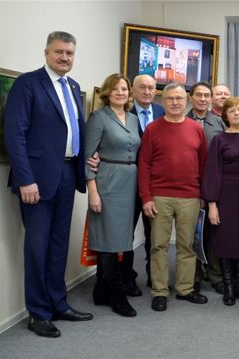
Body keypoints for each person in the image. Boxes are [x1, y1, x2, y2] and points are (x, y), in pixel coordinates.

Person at [4, 31, 93, 338]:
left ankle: (58, 303)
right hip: (37, 181)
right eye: (59, 52)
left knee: (58, 246)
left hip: (67, 175)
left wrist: (85, 164)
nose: (64, 57)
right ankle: (38, 313)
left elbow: (73, 133)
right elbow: (15, 134)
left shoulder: (73, 86)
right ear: (46, 53)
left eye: (69, 53)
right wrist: (26, 179)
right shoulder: (28, 84)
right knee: (37, 248)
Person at [138, 83, 208, 312]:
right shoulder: (152, 129)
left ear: (186, 100)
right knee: (158, 245)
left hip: (190, 196)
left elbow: (204, 165)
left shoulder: (196, 129)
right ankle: (159, 291)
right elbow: (144, 165)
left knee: (187, 246)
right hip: (159, 197)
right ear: (163, 101)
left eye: (179, 98)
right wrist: (146, 198)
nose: (175, 103)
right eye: (170, 99)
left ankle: (185, 288)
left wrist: (202, 196)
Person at [85, 74, 140, 317]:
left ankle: (100, 289)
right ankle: (117, 296)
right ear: (107, 92)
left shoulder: (133, 119)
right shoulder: (99, 118)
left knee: (120, 238)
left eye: (125, 89)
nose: (121, 92)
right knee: (107, 240)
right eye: (116, 89)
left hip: (130, 184)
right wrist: (93, 193)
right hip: (107, 182)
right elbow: (88, 158)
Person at [202, 97, 239, 306]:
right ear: (225, 116)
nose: (237, 113)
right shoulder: (219, 139)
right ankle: (228, 287)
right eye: (232, 110)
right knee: (225, 242)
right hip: (225, 195)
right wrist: (212, 204)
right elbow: (212, 173)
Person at [187, 81, 226, 294]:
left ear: (211, 99)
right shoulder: (180, 120)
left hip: (213, 184)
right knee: (192, 231)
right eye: (198, 95)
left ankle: (215, 274)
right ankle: (193, 275)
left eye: (206, 96)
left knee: (213, 232)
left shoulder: (219, 123)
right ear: (191, 97)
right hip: (189, 185)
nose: (202, 99)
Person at [128, 74, 165, 289]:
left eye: (151, 88)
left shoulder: (161, 112)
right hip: (128, 182)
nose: (148, 91)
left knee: (155, 233)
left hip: (156, 184)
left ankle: (154, 275)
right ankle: (128, 277)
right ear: (133, 90)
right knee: (127, 233)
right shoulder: (125, 113)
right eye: (142, 87)